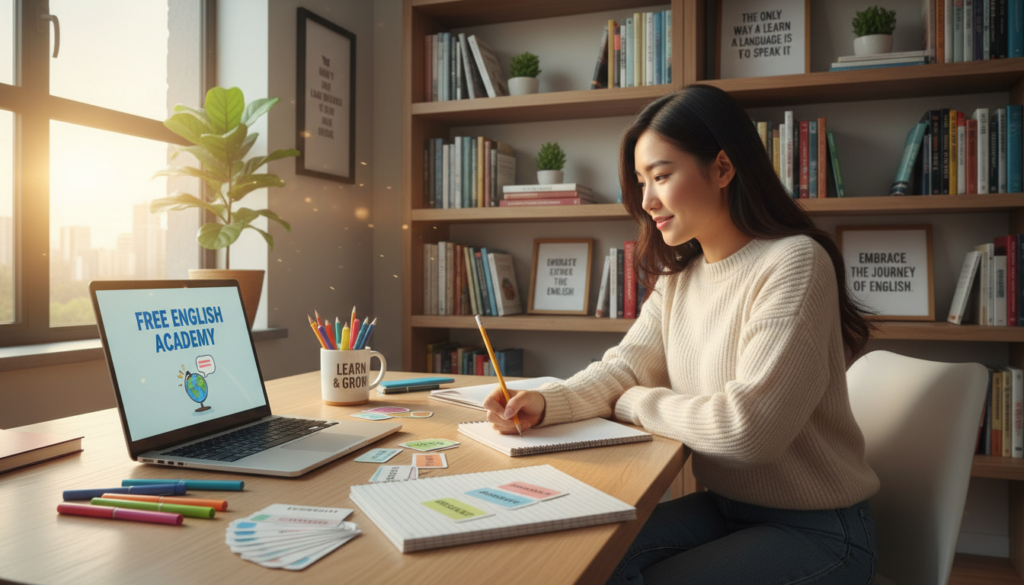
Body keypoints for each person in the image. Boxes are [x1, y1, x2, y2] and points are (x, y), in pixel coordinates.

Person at [482, 85, 880, 584]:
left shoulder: (794, 262)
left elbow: (748, 430)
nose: (647, 200)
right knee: (584, 559)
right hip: (725, 508)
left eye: (662, 176)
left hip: (821, 531)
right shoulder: (680, 279)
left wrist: (634, 403)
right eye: (640, 181)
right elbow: (623, 368)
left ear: (722, 168)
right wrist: (545, 401)